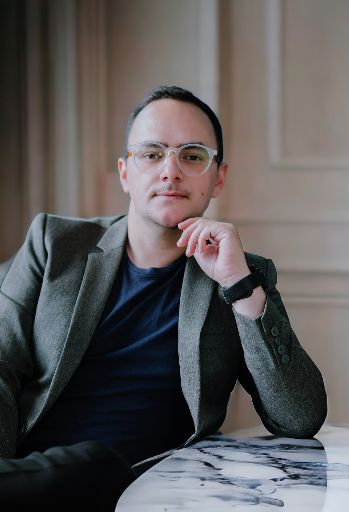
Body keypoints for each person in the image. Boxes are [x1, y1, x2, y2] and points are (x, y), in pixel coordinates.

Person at [0, 85, 327, 509]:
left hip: (146, 490)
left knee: (98, 465)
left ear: (218, 177)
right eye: (152, 154)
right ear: (125, 173)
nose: (170, 171)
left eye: (192, 156)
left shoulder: (243, 275)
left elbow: (299, 417)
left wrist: (238, 285)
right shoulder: (54, 244)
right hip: (27, 480)